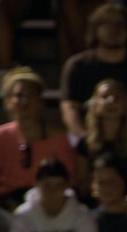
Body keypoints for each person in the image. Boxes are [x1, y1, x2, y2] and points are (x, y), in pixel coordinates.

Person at [60, 3, 127, 138]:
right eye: (107, 24)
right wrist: (84, 139)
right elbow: (70, 108)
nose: (114, 30)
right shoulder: (78, 66)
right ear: (95, 29)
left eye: (120, 24)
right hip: (86, 139)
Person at [0, 69, 78, 208]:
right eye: (18, 96)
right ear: (7, 102)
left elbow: (70, 181)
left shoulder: (59, 139)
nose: (24, 101)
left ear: (41, 102)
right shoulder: (2, 137)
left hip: (50, 205)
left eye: (30, 95)